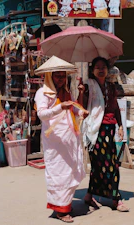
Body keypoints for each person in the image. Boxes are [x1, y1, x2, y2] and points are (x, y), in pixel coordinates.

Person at [34, 68, 89, 223]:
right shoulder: (42, 93)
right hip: (55, 142)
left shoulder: (66, 93)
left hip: (69, 139)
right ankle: (60, 210)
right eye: (56, 76)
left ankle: (65, 205)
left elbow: (71, 110)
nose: (60, 79)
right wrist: (60, 107)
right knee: (58, 174)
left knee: (70, 172)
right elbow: (42, 115)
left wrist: (80, 113)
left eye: (62, 76)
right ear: (50, 77)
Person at [78, 57, 129, 212]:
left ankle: (98, 196)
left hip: (109, 129)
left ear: (107, 70)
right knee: (100, 165)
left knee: (110, 164)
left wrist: (120, 125)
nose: (101, 69)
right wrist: (81, 93)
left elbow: (115, 108)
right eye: (97, 67)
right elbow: (81, 107)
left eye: (103, 67)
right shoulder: (88, 87)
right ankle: (114, 198)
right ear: (92, 71)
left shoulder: (111, 87)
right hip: (95, 131)